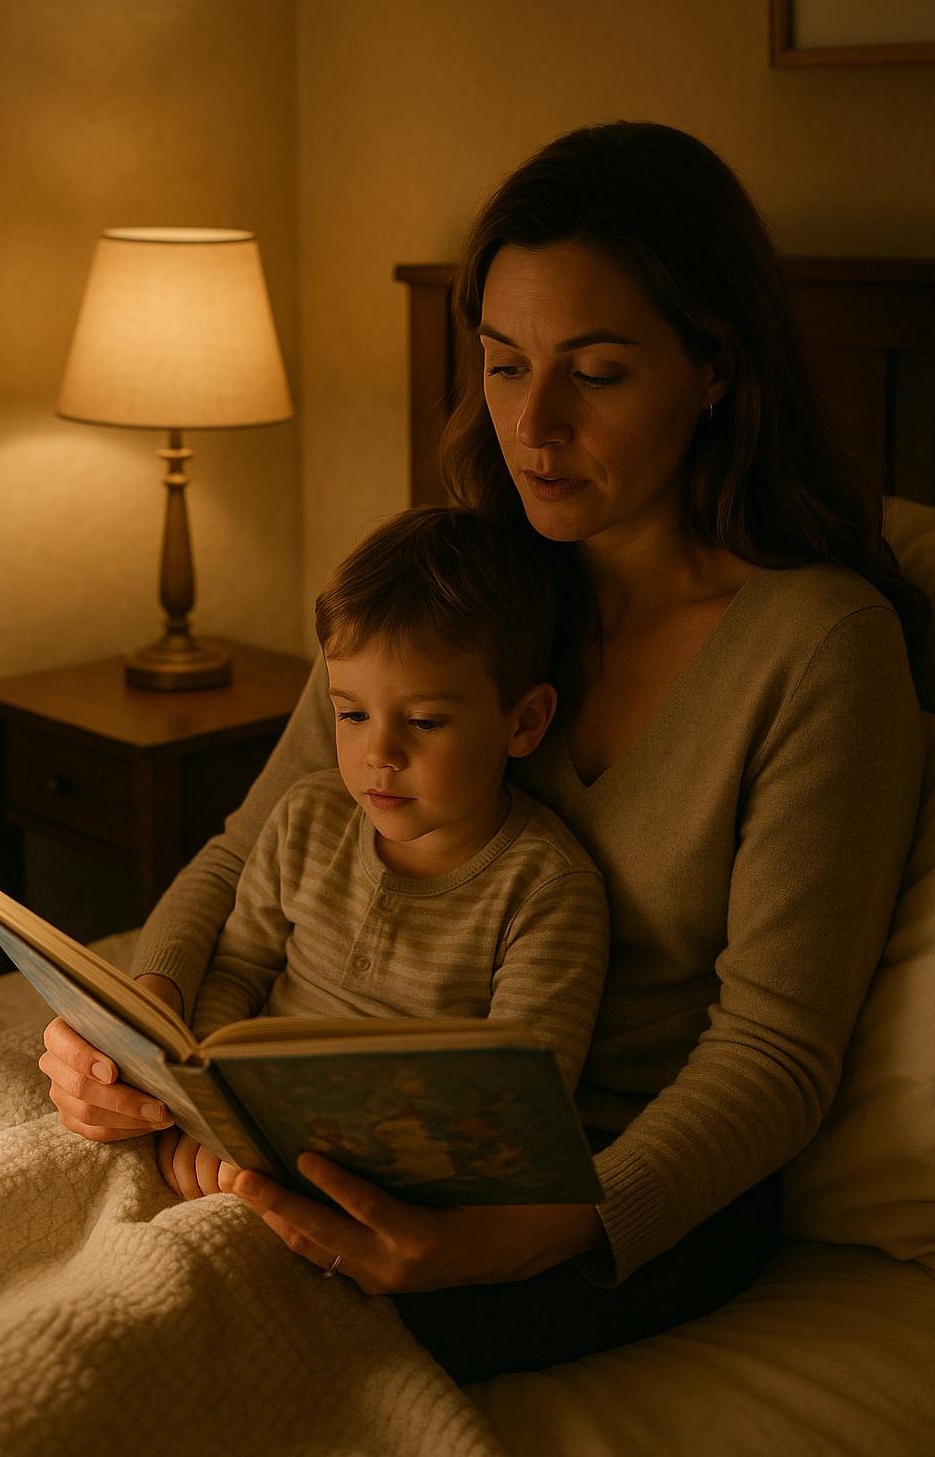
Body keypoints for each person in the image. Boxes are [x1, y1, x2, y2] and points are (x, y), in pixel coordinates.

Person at [40, 121, 926, 1384]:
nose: (533, 425)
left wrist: (526, 1235)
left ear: (715, 370)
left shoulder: (820, 647)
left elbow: (774, 1055)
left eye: (597, 373)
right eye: (504, 365)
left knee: (161, 1358)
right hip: (351, 1138)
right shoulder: (451, 587)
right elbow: (245, 852)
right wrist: (140, 1029)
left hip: (616, 1190)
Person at [156, 505, 609, 1198]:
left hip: (395, 1179)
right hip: (249, 1133)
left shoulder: (547, 891)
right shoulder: (305, 817)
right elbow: (238, 969)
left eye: (424, 722)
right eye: (352, 714)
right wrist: (210, 1111)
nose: (379, 753)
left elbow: (517, 1105)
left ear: (524, 722)